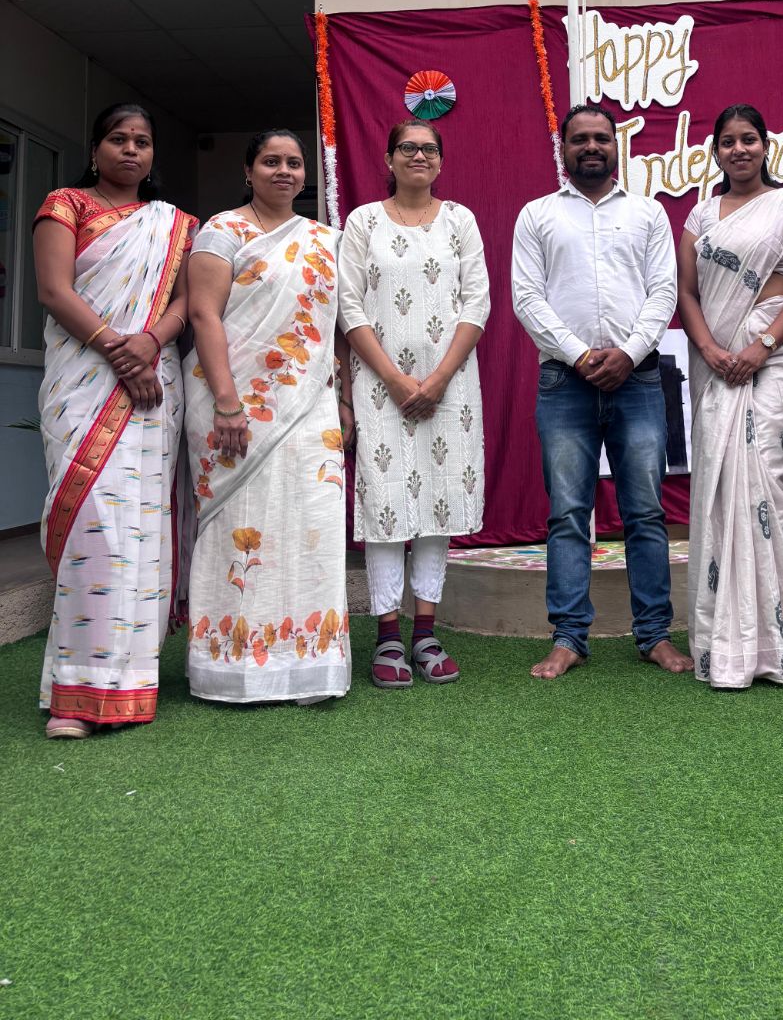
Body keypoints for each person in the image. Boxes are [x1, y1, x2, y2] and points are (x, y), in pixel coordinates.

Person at [512, 105, 692, 679]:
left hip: (638, 380)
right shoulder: (537, 214)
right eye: (580, 139)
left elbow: (664, 291)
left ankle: (655, 635)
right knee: (568, 513)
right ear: (563, 149)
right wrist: (581, 355)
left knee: (645, 512)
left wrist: (629, 353)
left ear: (617, 147)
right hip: (565, 382)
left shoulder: (648, 213)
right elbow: (526, 298)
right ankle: (568, 637)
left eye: (601, 138)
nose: (591, 146)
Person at [33, 103, 194, 738]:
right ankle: (75, 694)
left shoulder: (174, 224)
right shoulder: (65, 205)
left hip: (153, 386)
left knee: (142, 526)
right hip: (83, 382)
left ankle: (130, 683)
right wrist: (118, 351)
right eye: (119, 139)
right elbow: (54, 291)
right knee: (93, 527)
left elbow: (188, 299)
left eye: (142, 142)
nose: (131, 150)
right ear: (95, 148)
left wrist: (150, 343)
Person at [678, 104, 783, 689]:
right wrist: (710, 348)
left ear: (766, 146)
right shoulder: (701, 216)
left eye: (749, 139)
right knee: (725, 485)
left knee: (768, 476)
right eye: (728, 142)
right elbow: (688, 293)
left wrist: (763, 345)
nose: (739, 149)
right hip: (718, 358)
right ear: (715, 152)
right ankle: (728, 640)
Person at [185, 131, 351, 706]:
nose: (284, 170)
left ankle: (309, 665)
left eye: (294, 163)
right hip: (232, 403)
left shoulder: (326, 239)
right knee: (242, 523)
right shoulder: (222, 231)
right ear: (248, 170)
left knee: (313, 520)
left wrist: (345, 399)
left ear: (306, 174)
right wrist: (228, 402)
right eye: (271, 161)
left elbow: (339, 327)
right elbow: (203, 315)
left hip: (311, 402)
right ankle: (233, 668)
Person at [339, 119, 490, 688]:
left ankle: (425, 631)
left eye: (429, 149)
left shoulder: (460, 221)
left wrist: (439, 377)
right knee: (385, 501)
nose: (418, 156)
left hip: (452, 385)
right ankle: (386, 634)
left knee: (438, 499)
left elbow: (478, 301)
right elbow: (348, 304)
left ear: (441, 162)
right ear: (389, 158)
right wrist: (394, 379)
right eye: (407, 147)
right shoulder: (363, 222)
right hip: (380, 384)